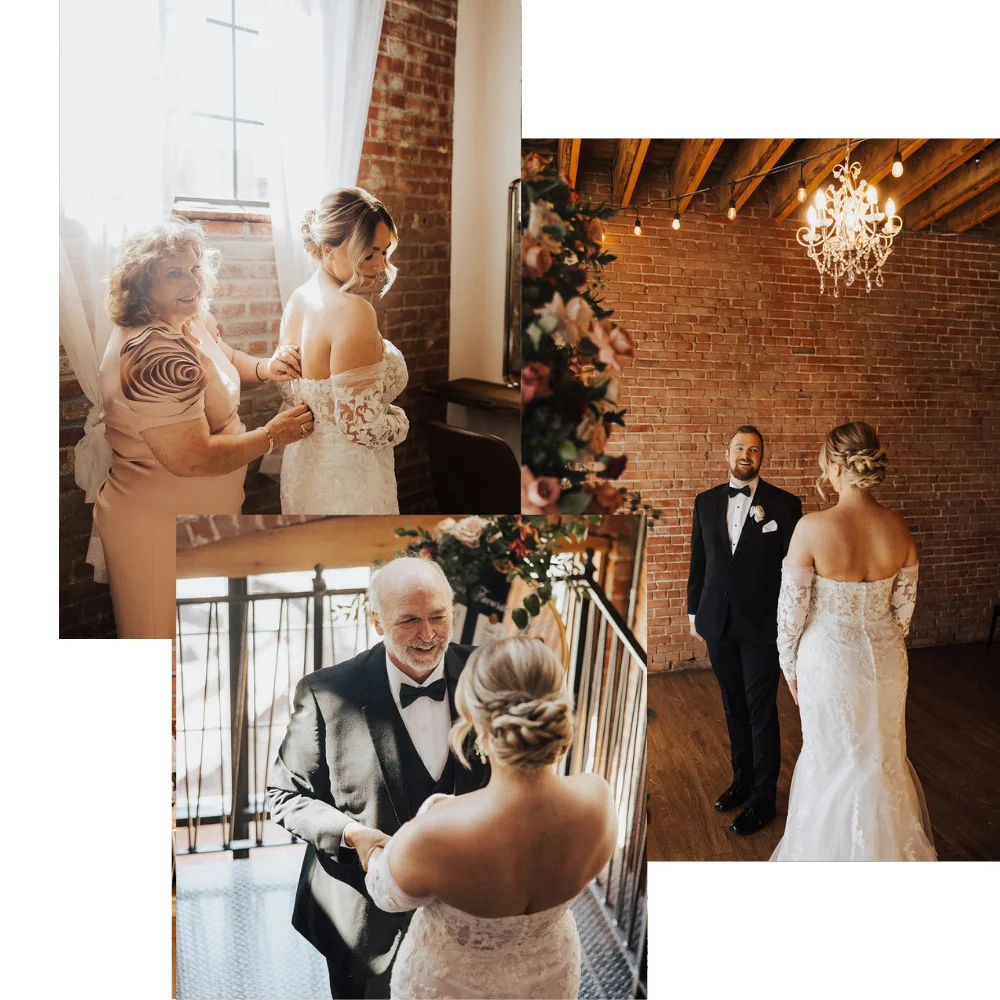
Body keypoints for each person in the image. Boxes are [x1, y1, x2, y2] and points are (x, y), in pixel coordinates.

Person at [267, 558, 489, 999]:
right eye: (408, 620)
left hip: (470, 914)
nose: (428, 635)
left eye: (438, 617)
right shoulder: (326, 692)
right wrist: (353, 834)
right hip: (364, 923)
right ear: (376, 621)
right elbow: (283, 795)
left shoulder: (487, 675)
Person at [365, 634, 616, 999]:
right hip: (550, 978)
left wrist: (372, 850)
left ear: (480, 728)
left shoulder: (435, 832)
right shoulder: (599, 798)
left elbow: (386, 895)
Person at [94, 219, 313, 638]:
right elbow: (190, 458)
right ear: (140, 287)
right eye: (173, 273)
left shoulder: (188, 319)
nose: (191, 281)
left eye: (195, 268)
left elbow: (225, 357)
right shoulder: (152, 354)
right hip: (158, 528)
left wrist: (265, 368)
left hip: (201, 518)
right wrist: (273, 436)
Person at [772, 421, 936, 861]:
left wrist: (791, 670)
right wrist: (883, 645)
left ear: (834, 466)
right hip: (886, 659)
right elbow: (903, 613)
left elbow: (789, 618)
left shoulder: (811, 527)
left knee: (832, 760)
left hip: (828, 662)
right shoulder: (898, 527)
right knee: (881, 760)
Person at [687, 425, 802, 834]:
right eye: (740, 448)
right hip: (717, 621)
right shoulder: (704, 502)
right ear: (727, 453)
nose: (746, 455)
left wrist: (790, 626)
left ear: (761, 457)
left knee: (760, 710)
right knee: (732, 705)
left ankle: (764, 799)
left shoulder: (785, 506)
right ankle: (741, 781)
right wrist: (692, 613)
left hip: (761, 627)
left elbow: (794, 571)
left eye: (754, 450)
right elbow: (698, 561)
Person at [277, 188, 409, 514]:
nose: (379, 265)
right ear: (328, 250)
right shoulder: (354, 312)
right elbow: (360, 428)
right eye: (368, 254)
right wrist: (401, 423)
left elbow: (287, 384)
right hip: (351, 481)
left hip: (303, 468)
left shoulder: (298, 300)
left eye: (384, 252)